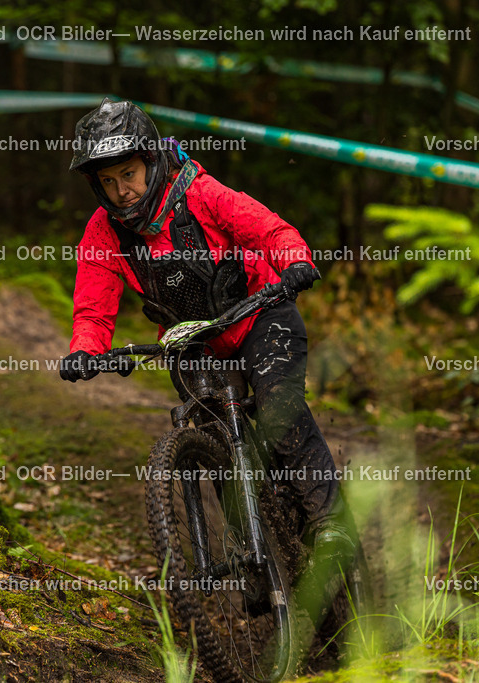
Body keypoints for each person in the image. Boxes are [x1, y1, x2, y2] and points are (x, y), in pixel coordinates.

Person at [58, 98, 357, 581]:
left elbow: (267, 228)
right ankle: (258, 562)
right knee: (213, 439)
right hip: (193, 343)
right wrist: (84, 352)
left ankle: (331, 524)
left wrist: (296, 260)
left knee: (280, 406)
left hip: (262, 313)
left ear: (151, 161)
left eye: (128, 174)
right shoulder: (103, 232)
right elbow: (93, 307)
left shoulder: (198, 193)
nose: (122, 191)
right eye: (108, 181)